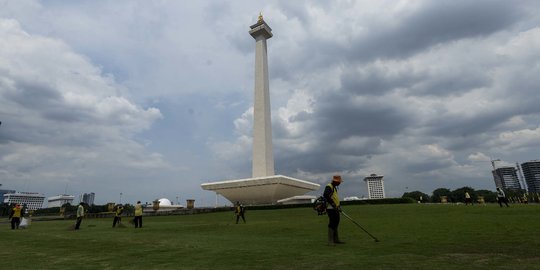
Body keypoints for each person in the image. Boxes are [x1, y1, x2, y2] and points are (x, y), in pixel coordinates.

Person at [323, 175, 344, 245]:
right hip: (330, 208)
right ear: (335, 181)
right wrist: (333, 204)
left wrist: (338, 206)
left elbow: (335, 198)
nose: (340, 183)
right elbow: (325, 195)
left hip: (335, 208)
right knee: (332, 223)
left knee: (336, 222)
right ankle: (330, 241)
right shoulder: (329, 186)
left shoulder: (334, 187)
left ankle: (336, 239)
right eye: (339, 182)